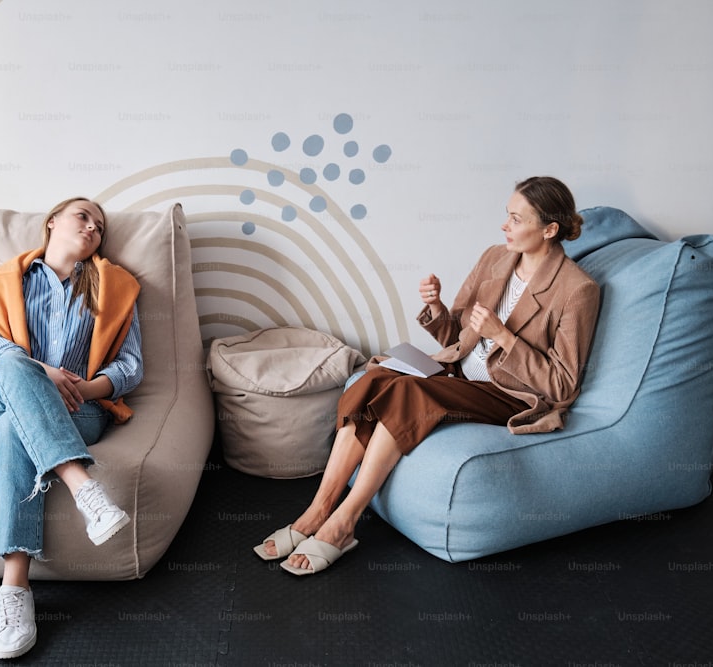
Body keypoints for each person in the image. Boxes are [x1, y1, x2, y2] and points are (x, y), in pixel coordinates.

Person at [253, 176, 601, 576]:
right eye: (506, 215)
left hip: (509, 394)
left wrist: (503, 337)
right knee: (373, 378)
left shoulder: (578, 289)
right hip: (458, 373)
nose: (504, 225)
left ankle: (343, 522)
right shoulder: (495, 258)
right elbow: (457, 334)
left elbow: (562, 383)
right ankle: (315, 511)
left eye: (516, 218)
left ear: (549, 229)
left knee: (407, 392)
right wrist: (437, 308)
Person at [0, 197, 144, 658]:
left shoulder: (113, 287)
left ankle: (14, 592)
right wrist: (42, 373)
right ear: (52, 222)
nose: (92, 228)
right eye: (83, 217)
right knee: (15, 364)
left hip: (77, 409)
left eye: (99, 227)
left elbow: (131, 366)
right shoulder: (4, 282)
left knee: (14, 432)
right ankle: (85, 490)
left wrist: (84, 389)